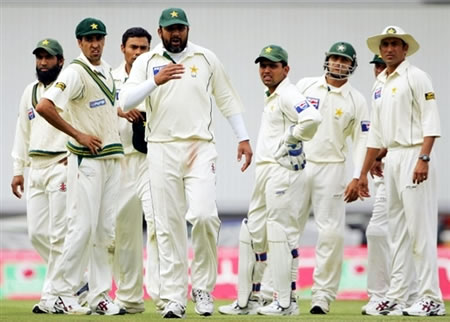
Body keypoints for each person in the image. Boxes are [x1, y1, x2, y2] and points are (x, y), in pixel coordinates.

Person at [120, 7, 253, 318]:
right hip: (161, 148)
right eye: (169, 29)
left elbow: (227, 99)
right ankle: (175, 296)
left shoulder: (205, 58)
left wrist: (243, 138)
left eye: (180, 28)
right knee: (168, 226)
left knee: (205, 216)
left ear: (188, 29)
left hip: (199, 148)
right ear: (160, 31)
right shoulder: (146, 62)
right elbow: (124, 102)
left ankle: (203, 289)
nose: (175, 33)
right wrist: (155, 80)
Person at [218, 45, 322, 316]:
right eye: (263, 65)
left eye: (273, 65)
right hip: (266, 172)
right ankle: (250, 299)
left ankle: (288, 301)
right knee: (255, 234)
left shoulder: (288, 92)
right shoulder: (274, 95)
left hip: (282, 173)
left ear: (285, 69)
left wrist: (292, 138)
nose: (266, 70)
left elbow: (312, 117)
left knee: (281, 235)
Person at [36, 17, 125, 315]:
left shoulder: (107, 71)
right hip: (86, 160)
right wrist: (78, 135)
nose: (95, 43)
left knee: (104, 232)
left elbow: (103, 107)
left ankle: (99, 295)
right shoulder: (75, 72)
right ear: (79, 42)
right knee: (81, 228)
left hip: (111, 158)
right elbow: (45, 106)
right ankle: (60, 293)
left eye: (99, 37)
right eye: (88, 38)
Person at [359, 25, 446, 316]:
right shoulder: (380, 82)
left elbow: (430, 121)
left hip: (413, 156)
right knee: (395, 232)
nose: (389, 49)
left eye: (395, 44)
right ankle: (396, 296)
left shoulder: (417, 77)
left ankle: (432, 298)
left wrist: (424, 158)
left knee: (419, 231)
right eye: (385, 45)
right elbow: (377, 134)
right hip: (393, 157)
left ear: (405, 49)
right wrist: (369, 165)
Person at [295, 42, 370, 314]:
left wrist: (357, 175)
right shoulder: (305, 86)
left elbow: (362, 140)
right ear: (326, 60)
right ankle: (281, 295)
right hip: (299, 165)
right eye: (334, 58)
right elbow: (285, 119)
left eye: (344, 59)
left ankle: (322, 296)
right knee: (288, 231)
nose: (338, 63)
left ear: (352, 65)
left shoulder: (356, 100)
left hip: (333, 168)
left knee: (331, 234)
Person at [10, 38, 67, 314]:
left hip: (61, 165)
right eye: (39, 58)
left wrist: (76, 155)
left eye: (49, 58)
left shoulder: (67, 89)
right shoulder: (29, 91)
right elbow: (22, 132)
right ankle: (74, 277)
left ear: (61, 61)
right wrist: (18, 170)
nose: (43, 63)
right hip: (36, 168)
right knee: (37, 234)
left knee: (58, 235)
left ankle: (51, 295)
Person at [111, 26, 154, 314]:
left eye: (143, 48)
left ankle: (166, 295)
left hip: (152, 158)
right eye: (133, 48)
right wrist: (121, 108)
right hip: (120, 159)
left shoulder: (159, 74)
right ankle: (130, 299)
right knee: (124, 233)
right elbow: (94, 108)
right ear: (123, 48)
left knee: (158, 224)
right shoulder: (109, 76)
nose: (138, 53)